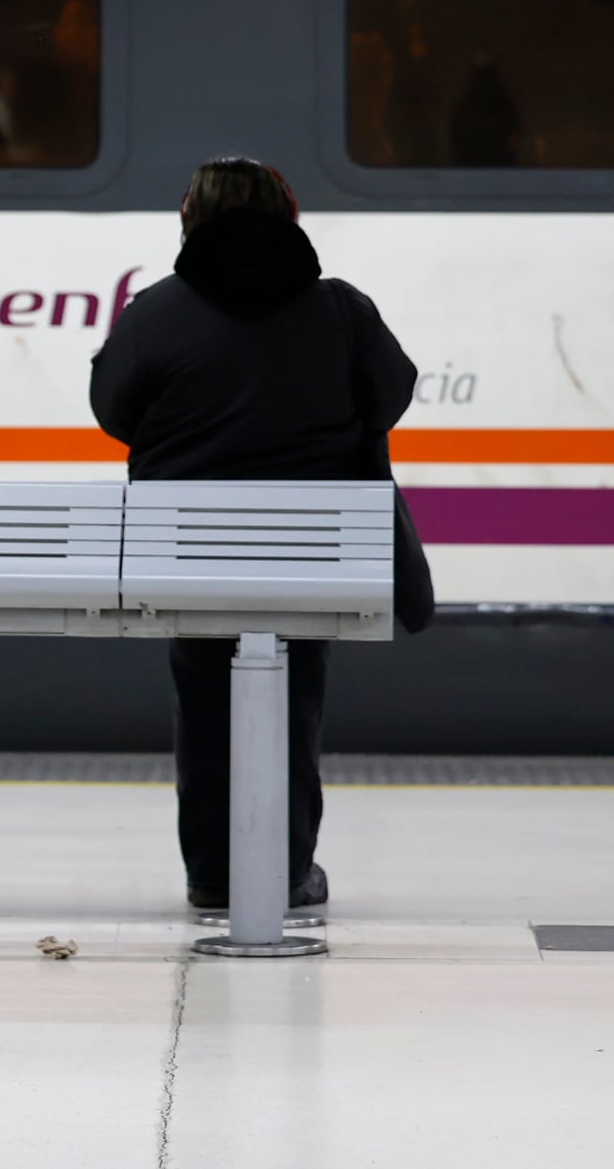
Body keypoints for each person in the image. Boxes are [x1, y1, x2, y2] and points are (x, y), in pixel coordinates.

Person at [88, 156, 414, 919]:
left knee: (204, 700)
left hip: (188, 550)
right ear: (290, 214)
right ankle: (286, 866)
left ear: (188, 217)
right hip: (313, 551)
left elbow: (113, 410)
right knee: (295, 700)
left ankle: (212, 872)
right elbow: (390, 393)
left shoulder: (156, 309)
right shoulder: (339, 308)